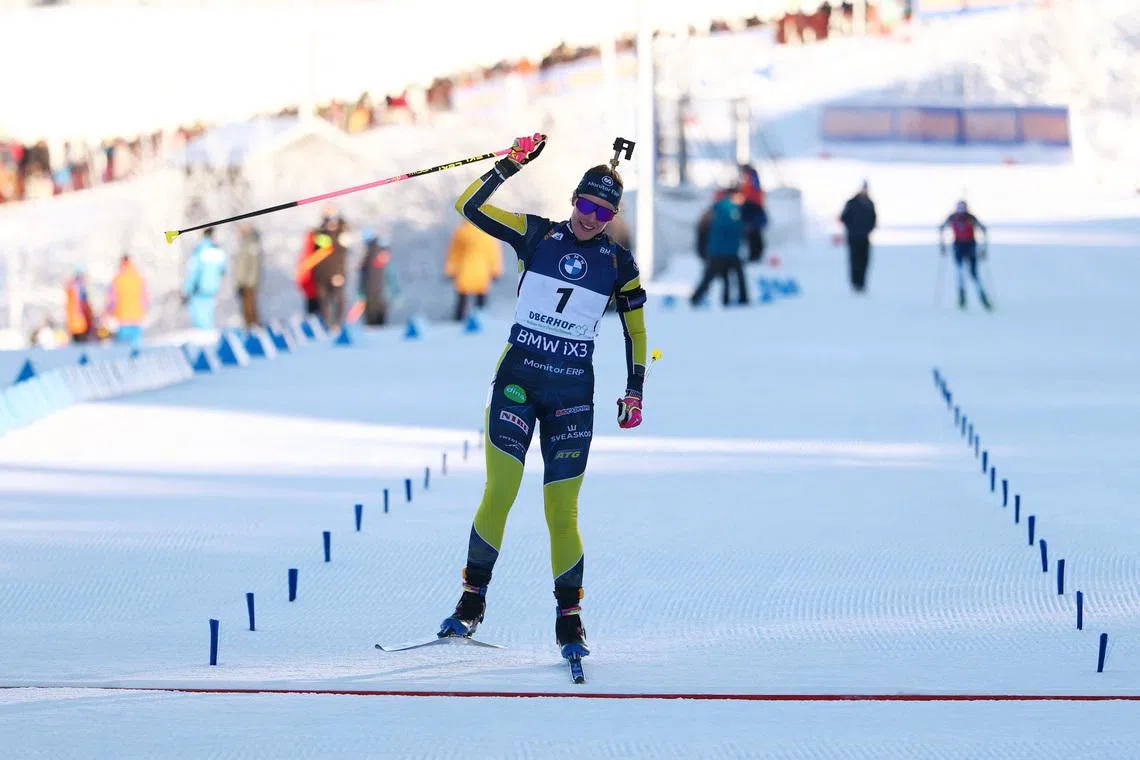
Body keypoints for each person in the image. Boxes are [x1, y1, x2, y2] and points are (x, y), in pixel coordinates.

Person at [438, 134, 648, 665]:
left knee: (562, 511)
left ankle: (569, 620)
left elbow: (636, 330)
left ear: (613, 215)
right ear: (572, 199)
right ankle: (470, 603)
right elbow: (469, 206)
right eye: (584, 203)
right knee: (501, 491)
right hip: (518, 383)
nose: (590, 217)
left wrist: (635, 389)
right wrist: (508, 165)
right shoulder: (536, 234)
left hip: (573, 397)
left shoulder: (618, 263)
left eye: (603, 210)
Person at [691, 187, 750, 306]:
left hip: (716, 251)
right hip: (728, 251)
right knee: (737, 276)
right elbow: (736, 229)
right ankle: (742, 299)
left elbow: (703, 228)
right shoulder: (732, 209)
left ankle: (698, 298)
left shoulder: (716, 208)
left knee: (714, 277)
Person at [446, 218, 503, 321]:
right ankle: (480, 321)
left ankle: (458, 321)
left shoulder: (461, 231)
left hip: (464, 270)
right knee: (480, 298)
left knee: (462, 299)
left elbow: (454, 253)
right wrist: (496, 271)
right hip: (482, 271)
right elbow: (494, 253)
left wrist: (451, 270)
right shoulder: (488, 232)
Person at [939, 200, 992, 311]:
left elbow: (983, 229)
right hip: (958, 247)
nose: (961, 210)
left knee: (974, 274)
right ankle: (962, 299)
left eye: (963, 207)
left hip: (970, 247)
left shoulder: (971, 218)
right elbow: (942, 228)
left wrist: (983, 249)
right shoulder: (952, 217)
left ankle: (983, 298)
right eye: (960, 207)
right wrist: (942, 245)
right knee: (960, 273)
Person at [183, 227, 227, 330]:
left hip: (199, 287)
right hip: (213, 287)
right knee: (209, 315)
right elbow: (224, 270)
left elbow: (193, 270)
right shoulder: (218, 250)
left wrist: (187, 289)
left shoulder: (200, 250)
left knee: (199, 317)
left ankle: (202, 337)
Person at [838, 180, 877, 293]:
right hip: (853, 237)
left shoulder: (870, 203)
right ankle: (855, 283)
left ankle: (862, 283)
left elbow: (873, 219)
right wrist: (852, 228)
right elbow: (844, 217)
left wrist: (868, 229)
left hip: (865, 237)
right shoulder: (852, 203)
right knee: (855, 260)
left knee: (864, 261)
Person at [358, 228, 399, 326]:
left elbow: (363, 277)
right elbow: (391, 275)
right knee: (380, 323)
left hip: (373, 293)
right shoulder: (379, 252)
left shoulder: (370, 255)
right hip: (380, 294)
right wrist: (395, 291)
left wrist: (360, 293)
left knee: (372, 323)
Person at [106, 254, 148, 347]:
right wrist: (144, 311)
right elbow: (145, 297)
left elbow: (112, 300)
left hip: (123, 318)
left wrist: (109, 312)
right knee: (136, 348)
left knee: (123, 349)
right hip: (137, 317)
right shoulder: (139, 277)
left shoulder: (118, 279)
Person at [235, 222, 263, 328]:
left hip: (249, 282)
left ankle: (253, 327)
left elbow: (254, 265)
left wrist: (250, 282)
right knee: (246, 307)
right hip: (244, 282)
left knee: (250, 306)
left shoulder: (252, 243)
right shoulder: (245, 242)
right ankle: (249, 327)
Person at [64, 265, 96, 343]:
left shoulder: (72, 286)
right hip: (80, 322)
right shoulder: (79, 287)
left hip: (74, 323)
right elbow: (81, 305)